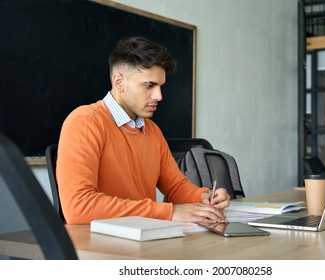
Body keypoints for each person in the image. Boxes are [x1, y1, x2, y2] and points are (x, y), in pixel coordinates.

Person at [56, 35, 230, 225]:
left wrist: (203, 196)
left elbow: (175, 187)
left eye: (161, 86)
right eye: (149, 85)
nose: (159, 96)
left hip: (143, 236)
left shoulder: (152, 131)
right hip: (96, 245)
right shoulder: (85, 122)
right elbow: (78, 207)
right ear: (119, 81)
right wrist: (169, 212)